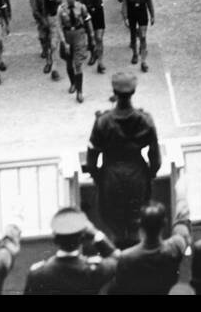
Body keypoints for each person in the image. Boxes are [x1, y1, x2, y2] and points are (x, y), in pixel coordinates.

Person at [86, 71, 161, 248]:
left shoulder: (103, 122)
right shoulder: (145, 120)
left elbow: (91, 159)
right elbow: (155, 158)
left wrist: (99, 178)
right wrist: (148, 175)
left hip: (110, 176)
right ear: (133, 92)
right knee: (137, 224)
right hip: (137, 175)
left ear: (115, 92)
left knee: (115, 226)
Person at [110, 194, 191, 295]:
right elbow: (182, 225)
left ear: (140, 225)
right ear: (164, 225)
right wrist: (181, 195)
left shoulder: (126, 258)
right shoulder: (175, 248)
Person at [23, 207, 117, 295]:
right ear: (83, 238)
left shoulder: (38, 273)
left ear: (55, 239)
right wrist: (96, 234)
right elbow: (118, 259)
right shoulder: (94, 270)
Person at [59, 0, 95, 101]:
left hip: (79, 34)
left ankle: (79, 92)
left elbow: (87, 20)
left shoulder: (81, 7)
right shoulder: (61, 9)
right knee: (69, 62)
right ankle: (73, 83)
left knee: (78, 64)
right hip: (67, 35)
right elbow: (59, 27)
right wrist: (64, 42)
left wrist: (92, 36)